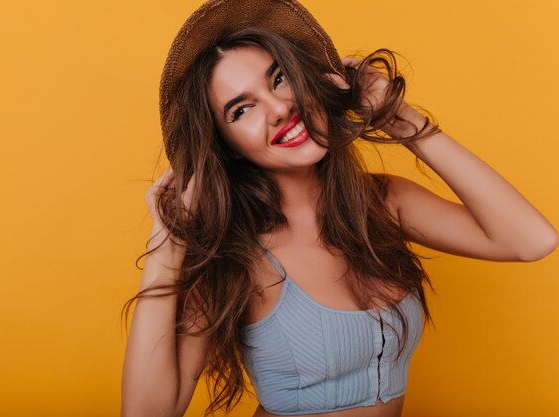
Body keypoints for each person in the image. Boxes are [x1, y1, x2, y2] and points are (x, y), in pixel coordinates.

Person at [120, 1, 558, 416]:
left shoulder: (384, 202)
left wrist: (399, 118)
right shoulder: (234, 254)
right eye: (242, 109)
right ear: (228, 148)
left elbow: (532, 239)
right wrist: (166, 246)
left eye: (279, 80)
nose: (279, 108)